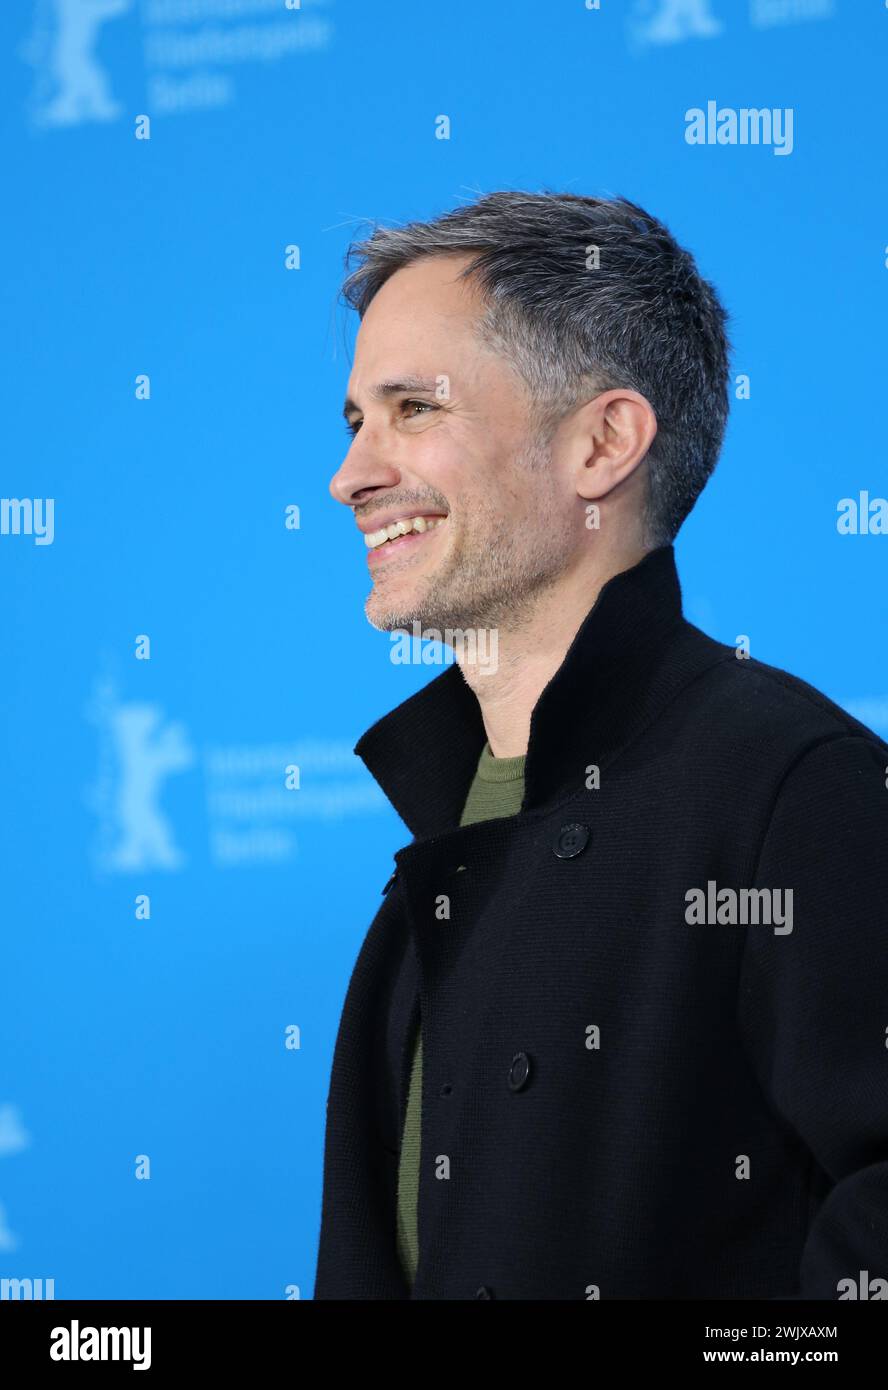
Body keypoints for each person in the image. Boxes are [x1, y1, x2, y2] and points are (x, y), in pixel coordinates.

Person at [315, 191, 888, 1299]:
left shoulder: (792, 786)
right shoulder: (439, 851)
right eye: (354, 421)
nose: (350, 476)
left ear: (601, 443)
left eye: (412, 409)